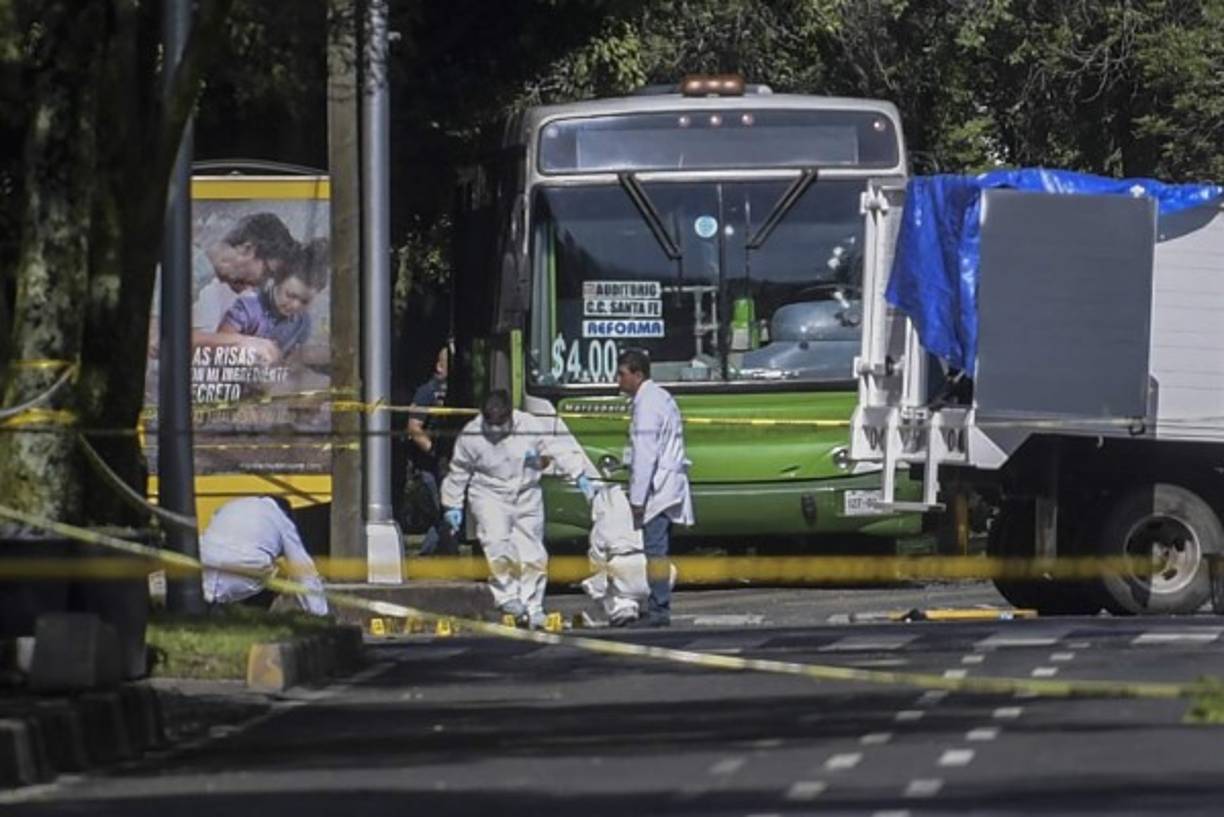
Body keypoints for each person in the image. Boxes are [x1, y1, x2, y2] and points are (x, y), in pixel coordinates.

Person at [440, 389, 597, 628]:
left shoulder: (529, 425)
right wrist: (452, 505)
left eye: (501, 423)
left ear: (510, 416)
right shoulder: (471, 436)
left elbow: (557, 449)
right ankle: (508, 596)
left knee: (533, 553)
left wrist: (579, 474)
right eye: (491, 423)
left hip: (526, 493)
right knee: (497, 543)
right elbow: (459, 472)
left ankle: (532, 606)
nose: (496, 429)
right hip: (489, 494)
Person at [615, 349, 694, 627]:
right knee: (657, 548)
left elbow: (645, 456)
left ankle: (659, 610)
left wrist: (637, 499)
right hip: (665, 483)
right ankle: (658, 606)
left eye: (622, 374)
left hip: (657, 488)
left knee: (655, 551)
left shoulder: (647, 404)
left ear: (638, 374)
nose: (618, 380)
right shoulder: (657, 397)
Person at [200, 496, 329, 616]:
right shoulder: (282, 520)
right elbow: (303, 571)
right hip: (243, 574)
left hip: (205, 566)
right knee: (277, 574)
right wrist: (320, 615)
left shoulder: (233, 505)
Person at [192, 212, 300, 352]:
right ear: (247, 249)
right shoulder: (188, 266)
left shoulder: (220, 283)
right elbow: (161, 337)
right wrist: (241, 342)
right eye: (267, 272)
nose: (262, 283)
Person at [216, 238, 329, 361]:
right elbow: (217, 344)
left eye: (305, 301)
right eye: (290, 295)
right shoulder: (249, 307)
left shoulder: (302, 323)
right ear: (277, 281)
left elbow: (290, 363)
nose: (295, 305)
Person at [581, 483, 677, 626]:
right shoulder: (647, 510)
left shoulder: (604, 521)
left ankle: (621, 609)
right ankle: (648, 606)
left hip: (622, 574)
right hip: (658, 574)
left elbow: (597, 556)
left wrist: (598, 588)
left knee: (594, 580)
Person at [405, 345, 456, 556]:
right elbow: (413, 426)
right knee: (443, 511)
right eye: (447, 363)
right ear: (438, 366)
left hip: (450, 462)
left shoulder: (457, 390)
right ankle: (435, 555)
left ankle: (436, 555)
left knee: (447, 512)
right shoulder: (427, 391)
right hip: (430, 465)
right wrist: (432, 450)